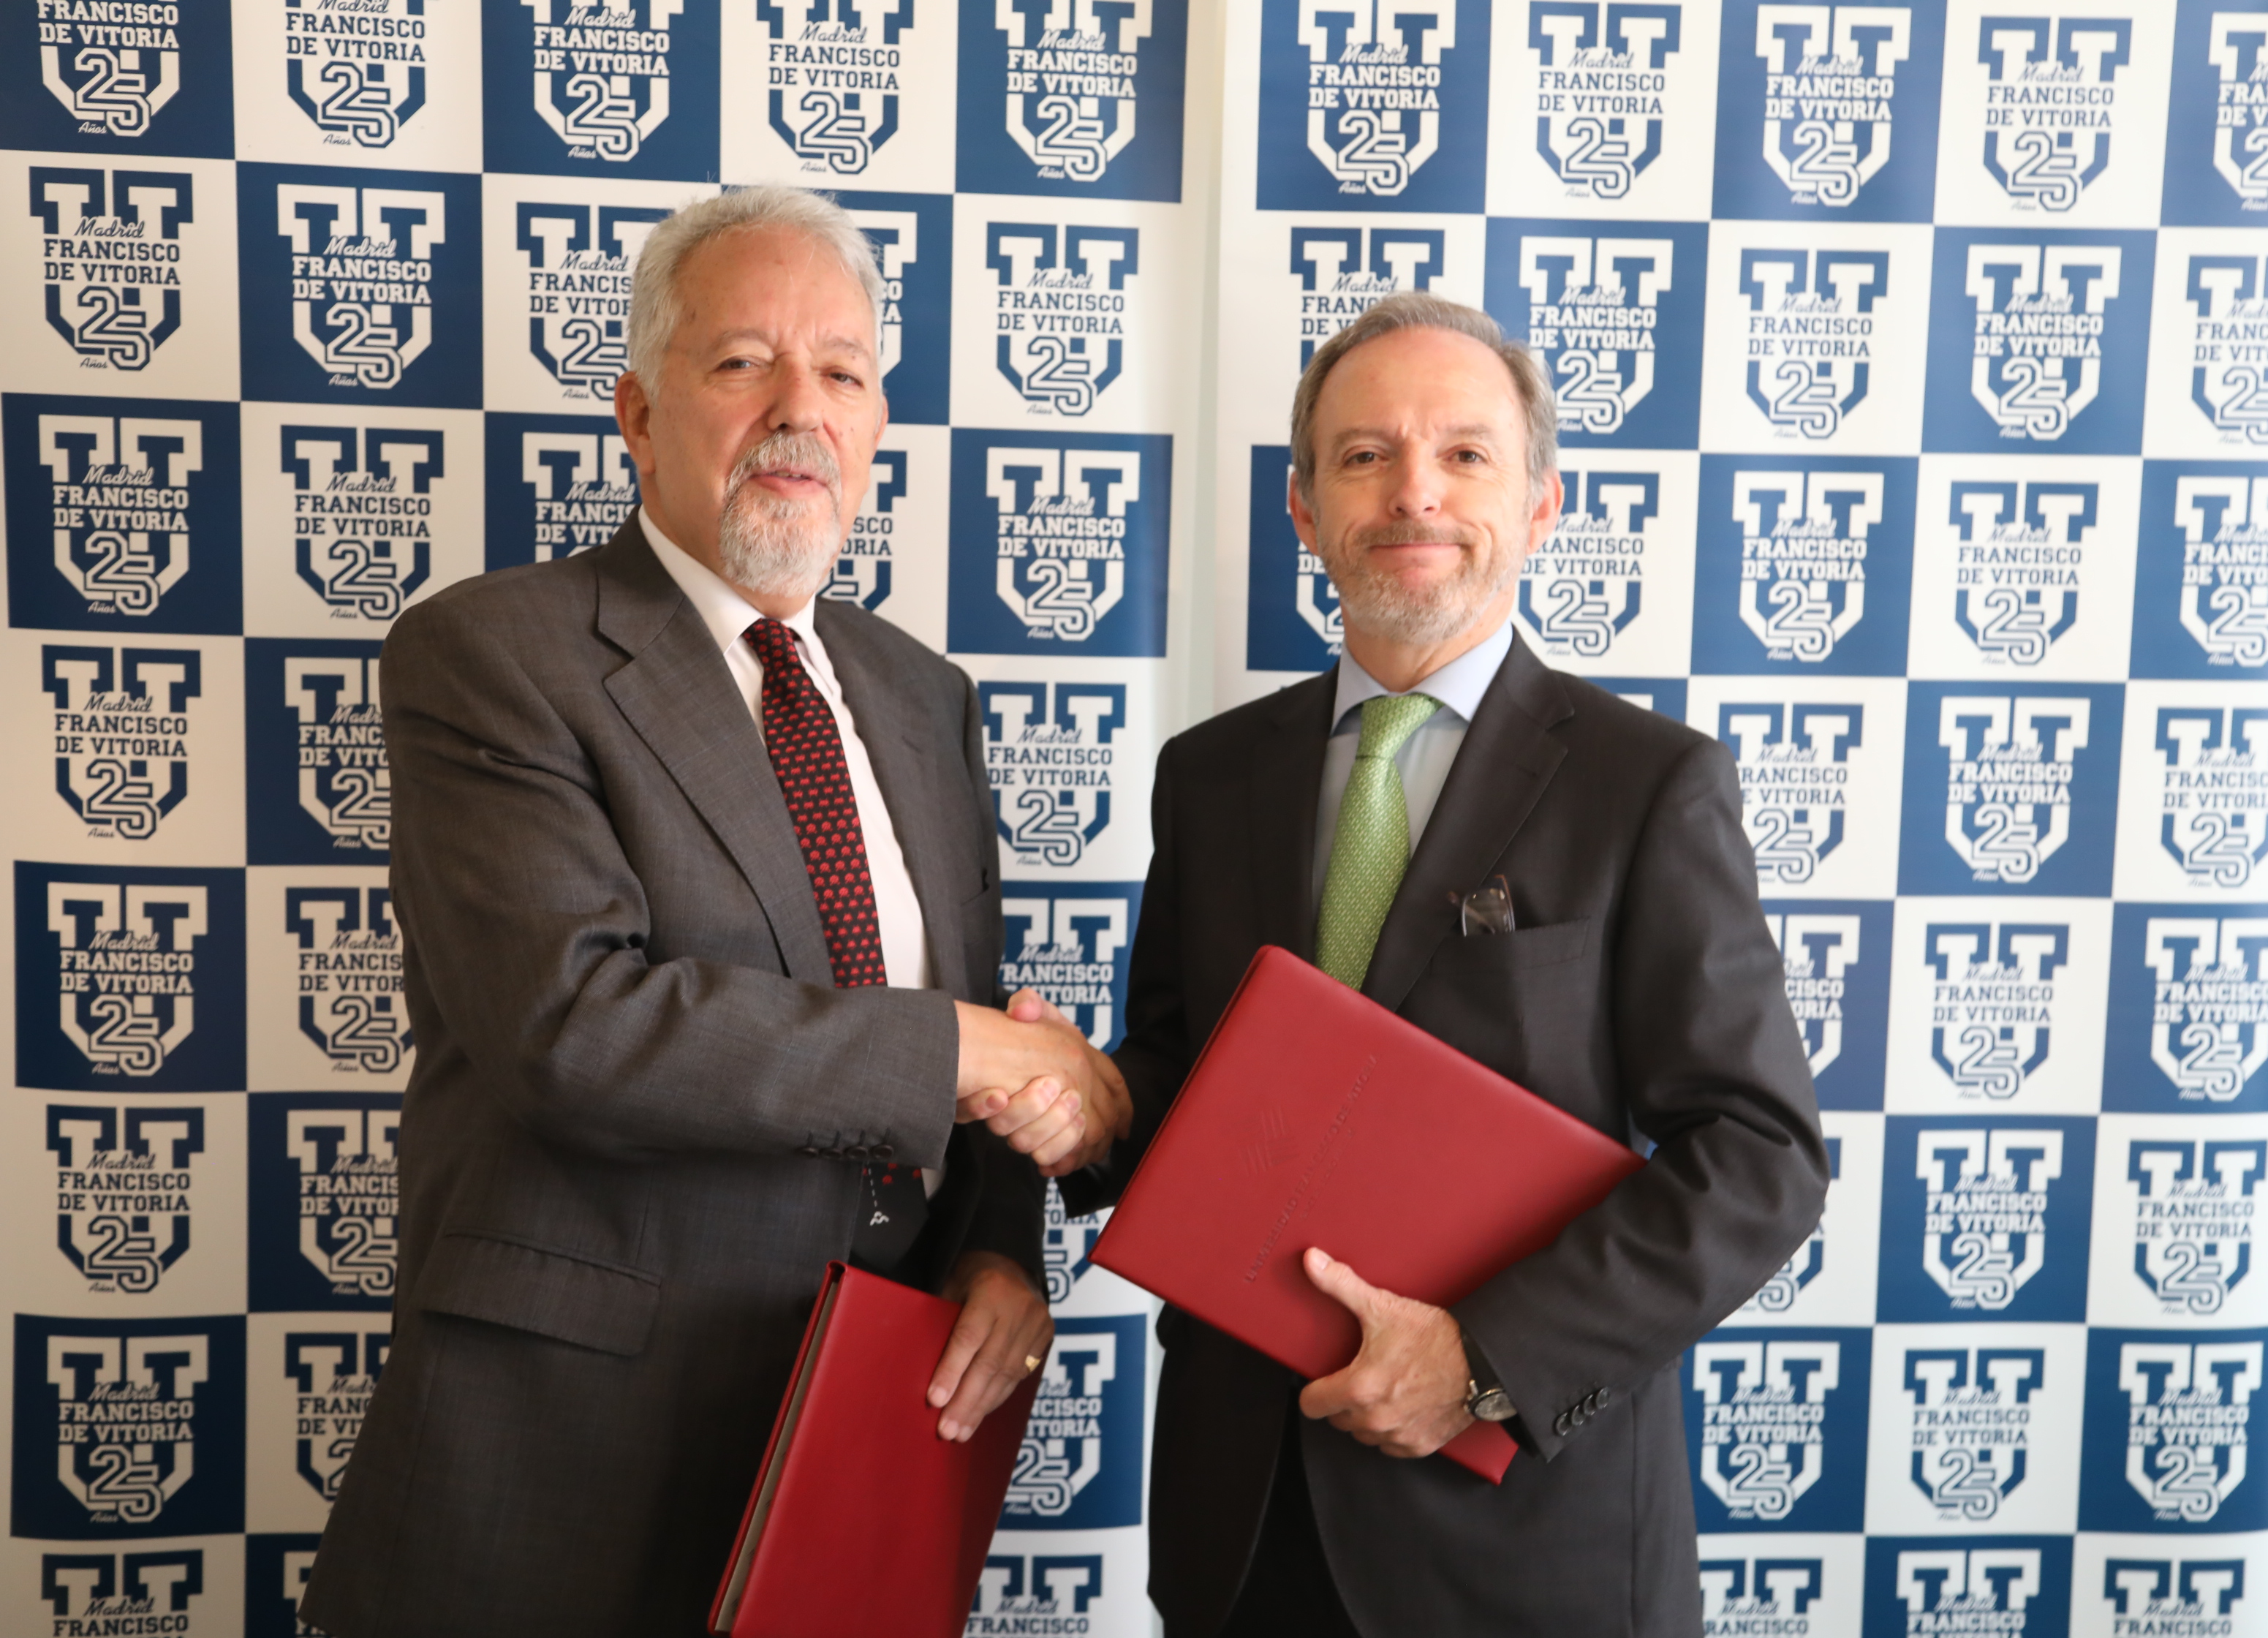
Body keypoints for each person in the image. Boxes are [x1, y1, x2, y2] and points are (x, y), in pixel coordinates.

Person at [303, 186, 1128, 1637]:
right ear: (638, 411)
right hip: (566, 1451)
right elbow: (574, 1027)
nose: (801, 409)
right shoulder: (493, 654)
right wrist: (974, 1051)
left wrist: (1002, 1249)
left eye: (844, 372)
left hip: (854, 1440)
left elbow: (976, 1029)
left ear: (878, 426)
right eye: (744, 361)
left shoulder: (927, 699)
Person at [1052, 292, 1829, 1637]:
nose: (1413, 491)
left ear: (1540, 505)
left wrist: (1482, 1364)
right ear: (1303, 509)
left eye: (1465, 454)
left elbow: (1761, 1157)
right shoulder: (1210, 776)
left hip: (1524, 1543)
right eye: (1364, 456)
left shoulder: (1651, 785)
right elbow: (1187, 1084)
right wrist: (1086, 1106)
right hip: (1244, 1526)